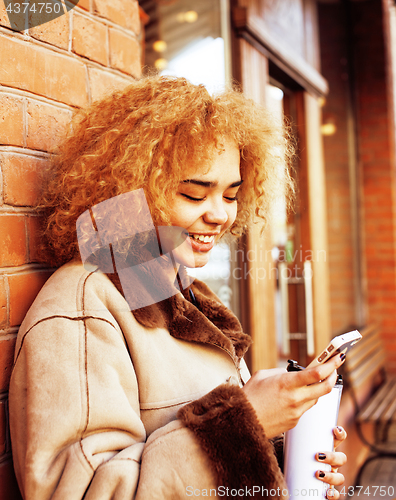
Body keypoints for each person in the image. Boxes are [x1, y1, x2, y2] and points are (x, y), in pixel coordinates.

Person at [9, 75, 347, 499]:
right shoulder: (84, 305)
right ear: (134, 190)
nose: (220, 215)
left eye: (230, 195)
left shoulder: (183, 291)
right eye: (193, 194)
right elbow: (76, 492)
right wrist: (247, 421)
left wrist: (284, 454)